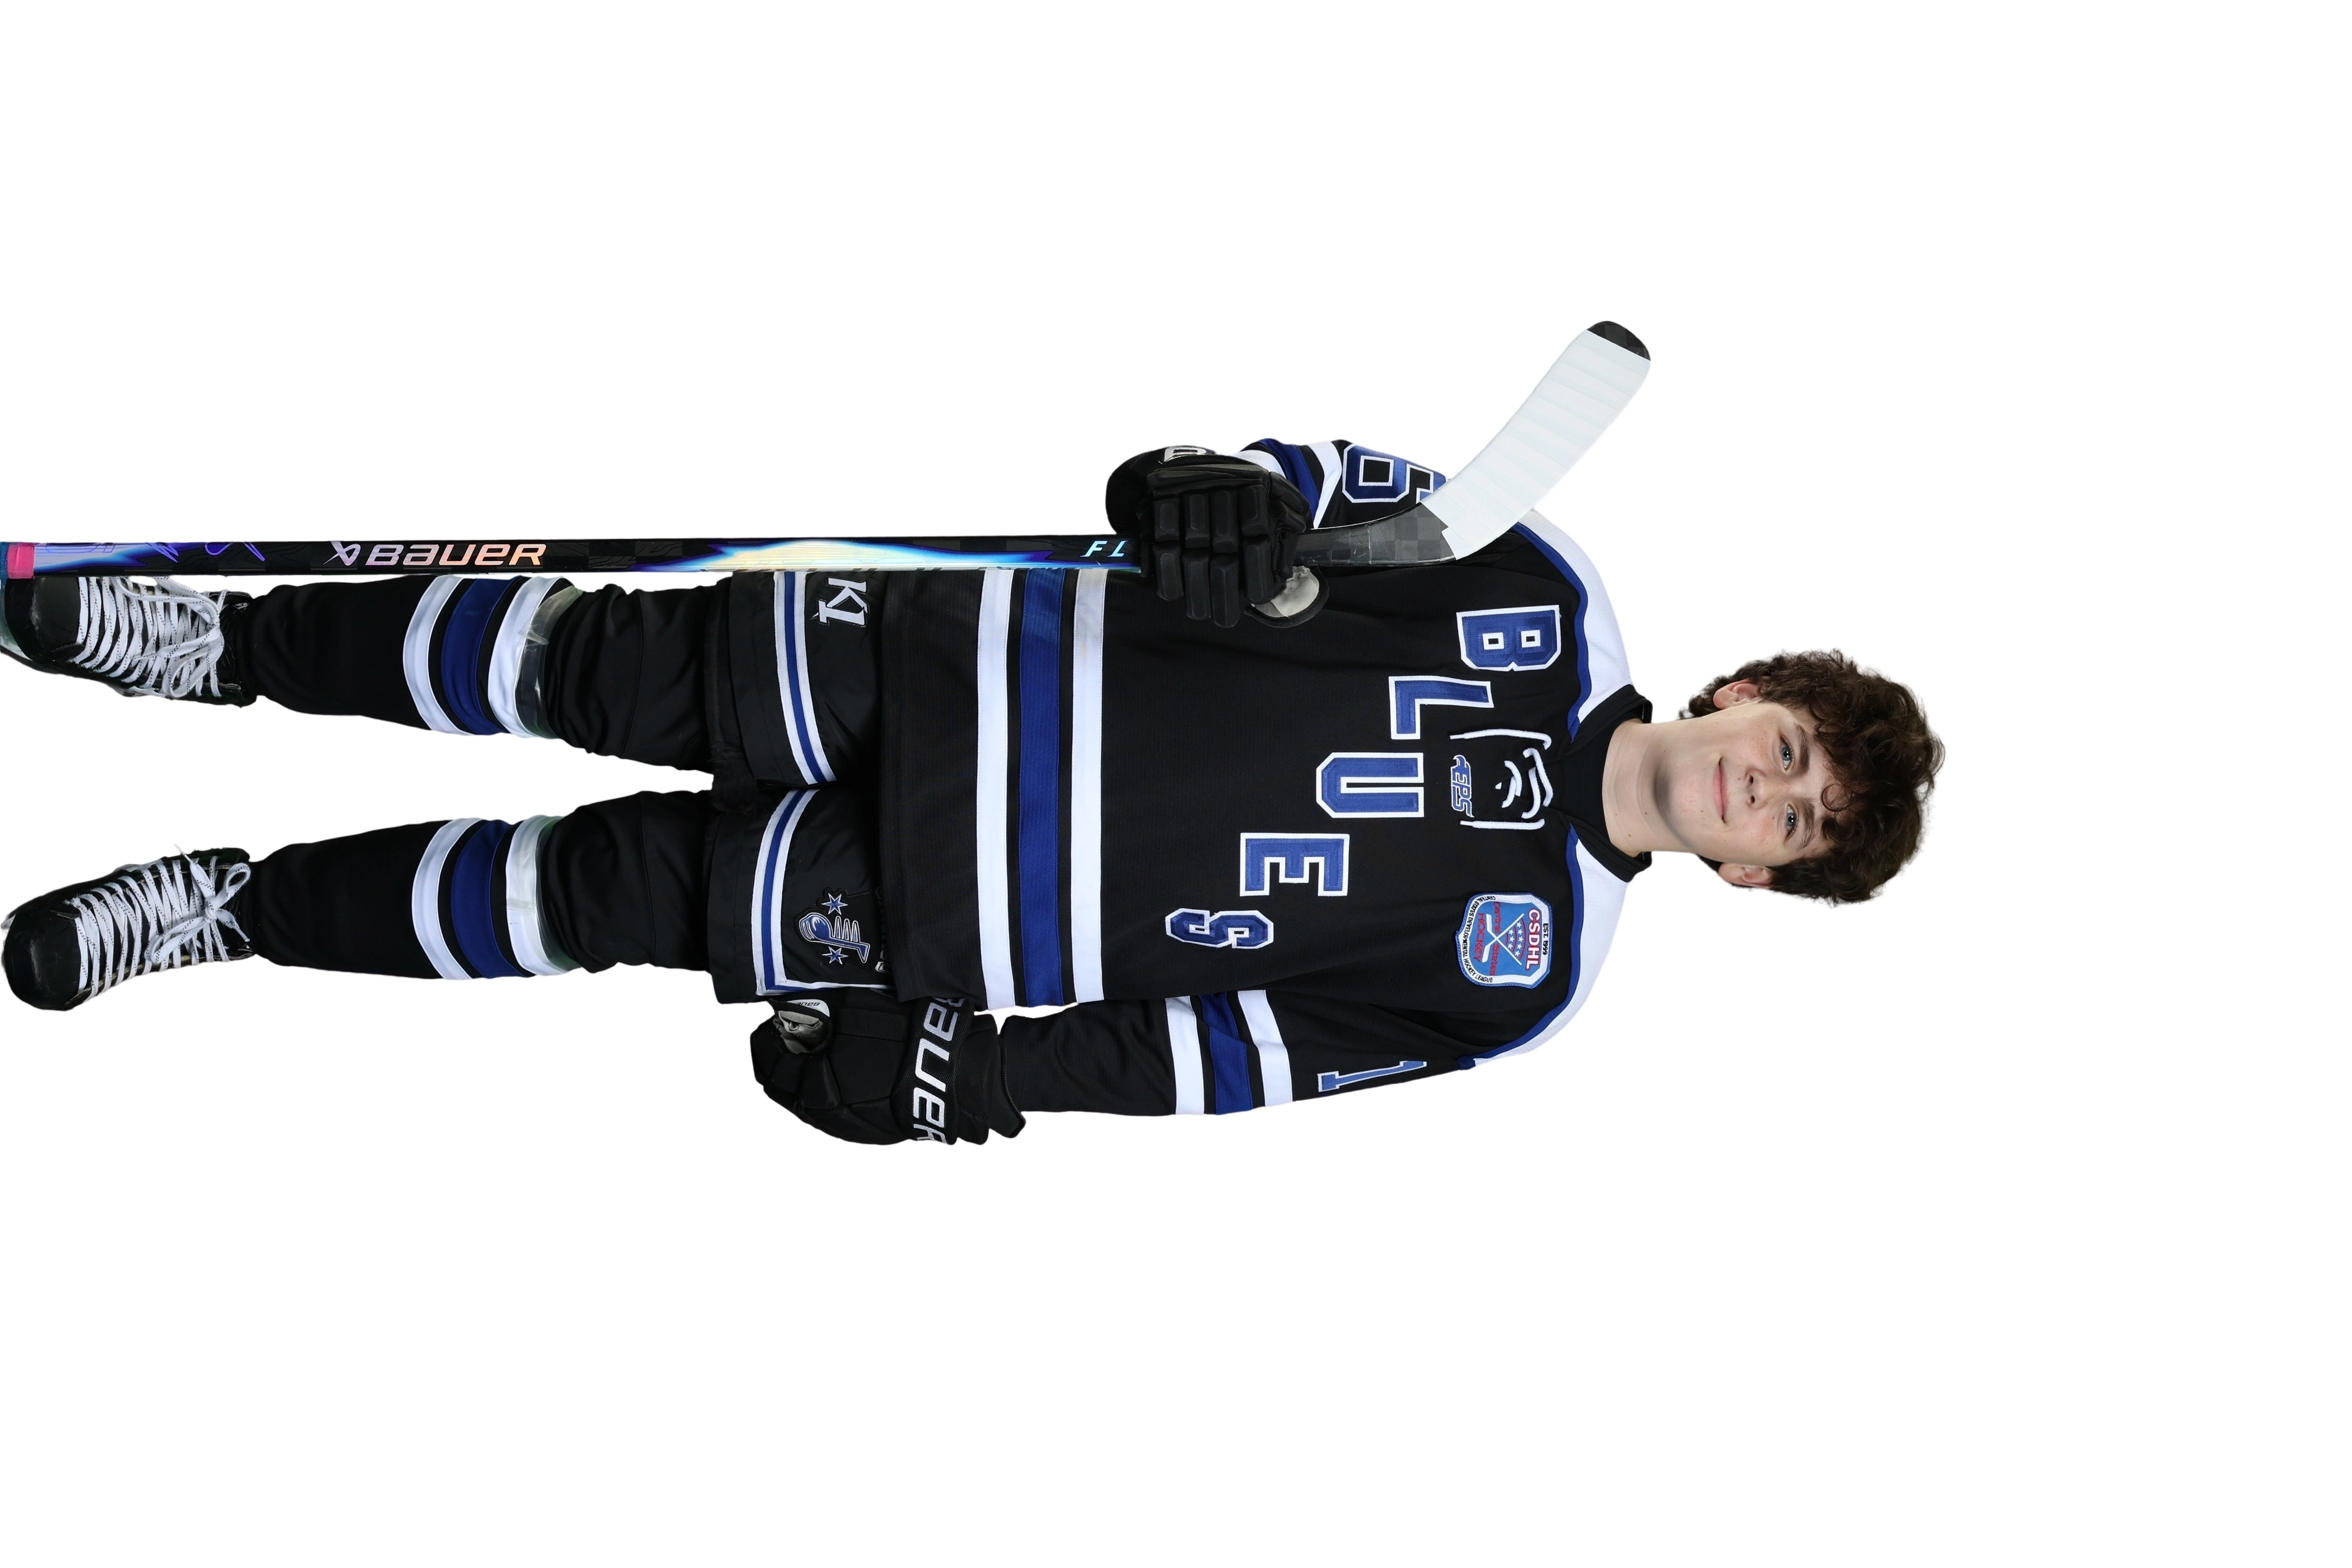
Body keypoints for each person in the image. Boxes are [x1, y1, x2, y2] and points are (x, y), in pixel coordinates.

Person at [0, 439, 1945, 1144]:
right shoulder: (1544, 579)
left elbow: (1234, 1056)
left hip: (946, 913)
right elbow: (1318, 486)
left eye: (1796, 826)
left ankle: (223, 910)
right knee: (556, 660)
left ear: (1762, 884)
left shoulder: (1522, 985)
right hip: (944, 658)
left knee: (557, 910)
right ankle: (216, 645)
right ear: (1752, 688)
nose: (1764, 788)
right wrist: (1223, 487)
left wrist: (986, 1086)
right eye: (1791, 747)